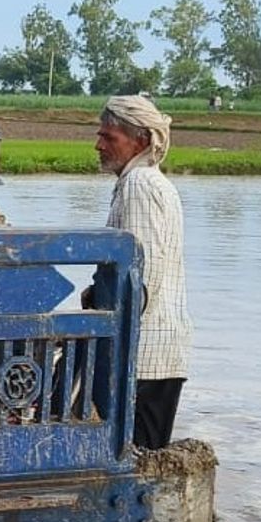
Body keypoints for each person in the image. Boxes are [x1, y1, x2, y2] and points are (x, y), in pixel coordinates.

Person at [92, 94, 192, 449]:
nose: (98, 145)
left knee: (135, 458)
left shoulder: (140, 184)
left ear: (142, 140)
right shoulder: (150, 182)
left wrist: (106, 318)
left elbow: (140, 274)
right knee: (143, 457)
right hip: (159, 352)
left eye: (109, 137)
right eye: (100, 135)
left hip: (144, 356)